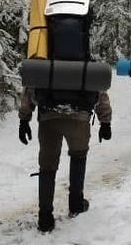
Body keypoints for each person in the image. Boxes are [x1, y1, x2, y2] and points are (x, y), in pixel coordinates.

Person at [18, 88, 112, 232]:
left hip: (48, 117)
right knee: (78, 157)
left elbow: (30, 89)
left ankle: (45, 217)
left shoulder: (43, 64)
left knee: (47, 165)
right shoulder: (88, 63)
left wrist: (24, 120)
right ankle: (76, 205)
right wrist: (105, 122)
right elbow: (100, 90)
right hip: (79, 117)